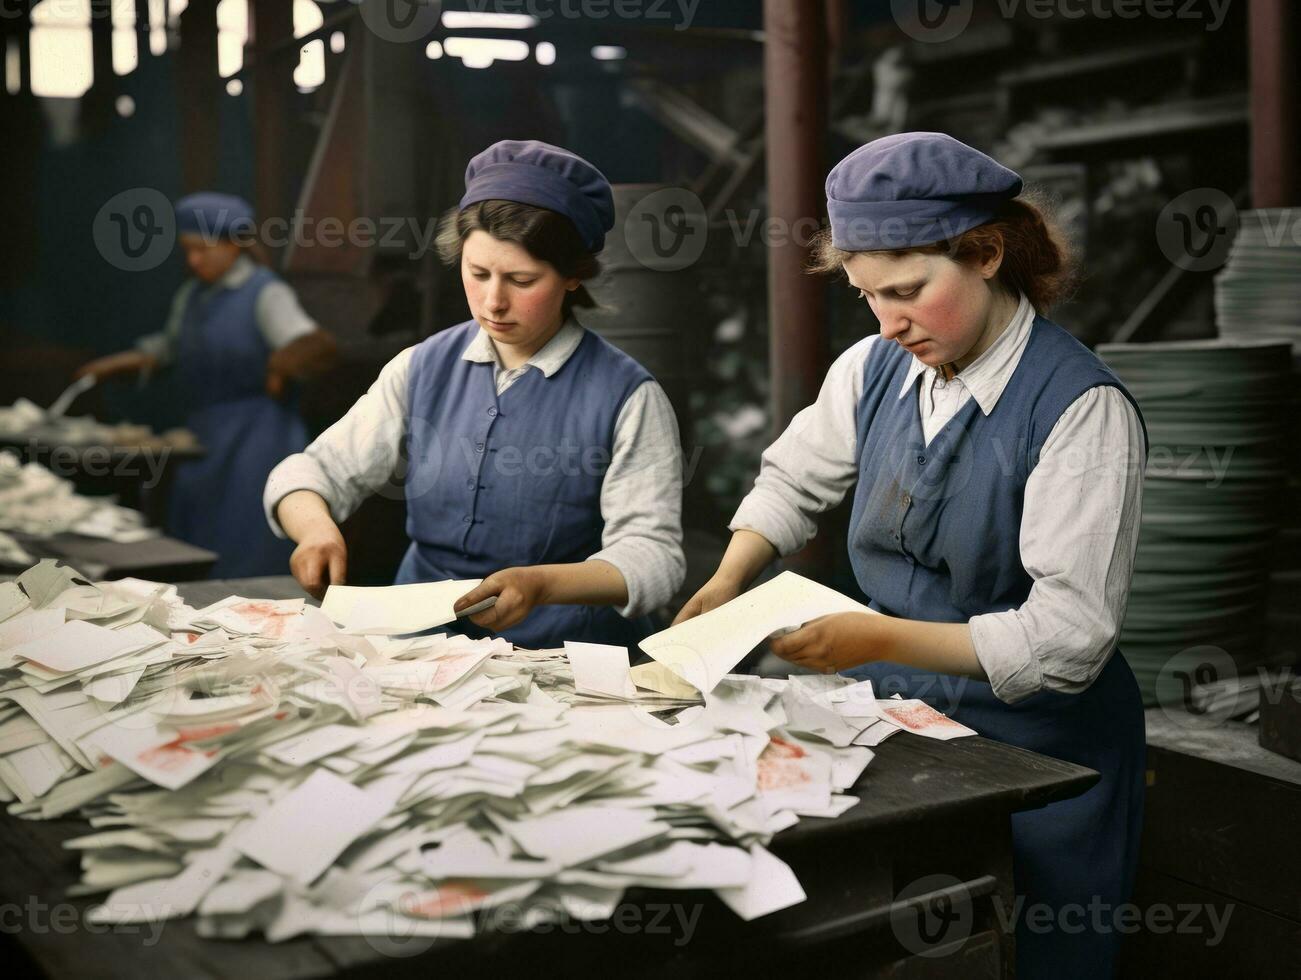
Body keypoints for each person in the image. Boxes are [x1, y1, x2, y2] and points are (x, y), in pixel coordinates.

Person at [676, 132, 1147, 977]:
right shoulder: (872, 370)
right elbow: (791, 481)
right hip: (904, 718)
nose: (888, 322)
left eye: (908, 292)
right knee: (906, 942)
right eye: (866, 296)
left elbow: (1070, 635)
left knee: (1031, 945)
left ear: (987, 253)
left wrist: (879, 639)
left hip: (1042, 741)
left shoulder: (1079, 410)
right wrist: (727, 576)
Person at [265, 140, 685, 649]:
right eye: (478, 272)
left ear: (574, 275)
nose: (493, 301)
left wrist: (544, 583)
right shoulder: (421, 367)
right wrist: (315, 529)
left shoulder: (627, 396)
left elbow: (655, 557)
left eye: (521, 280)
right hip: (418, 649)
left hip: (563, 658)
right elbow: (311, 472)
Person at [77, 192, 337, 577]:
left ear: (234, 244)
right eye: (187, 250)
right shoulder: (193, 294)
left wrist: (280, 367)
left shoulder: (266, 293)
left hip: (257, 439)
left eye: (202, 249)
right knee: (201, 536)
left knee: (244, 542)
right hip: (206, 434)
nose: (193, 260)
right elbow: (171, 345)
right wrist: (118, 364)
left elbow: (311, 345)